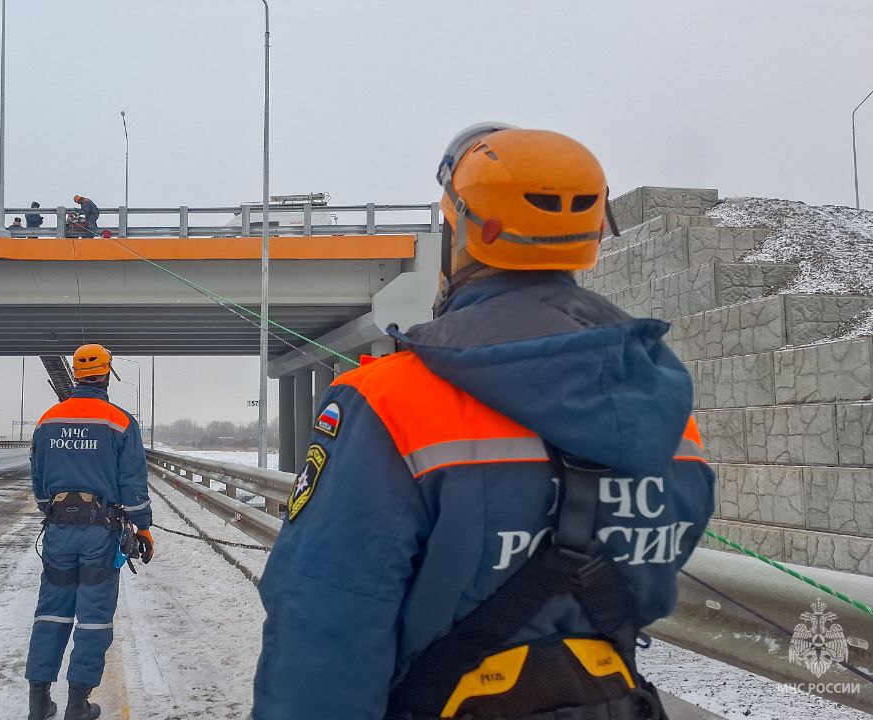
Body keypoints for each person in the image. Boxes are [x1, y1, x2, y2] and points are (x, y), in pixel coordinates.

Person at [252, 124, 715, 720]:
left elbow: (324, 632)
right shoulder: (665, 408)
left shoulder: (386, 401)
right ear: (593, 234)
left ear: (460, 233)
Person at [26, 343, 154, 720]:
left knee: (51, 612)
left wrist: (52, 510)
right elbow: (132, 482)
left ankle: (39, 702)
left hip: (58, 531)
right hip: (101, 532)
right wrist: (143, 528)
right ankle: (78, 705)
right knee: (94, 616)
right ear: (107, 373)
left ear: (76, 373)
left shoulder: (48, 419)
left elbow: (36, 478)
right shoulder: (118, 420)